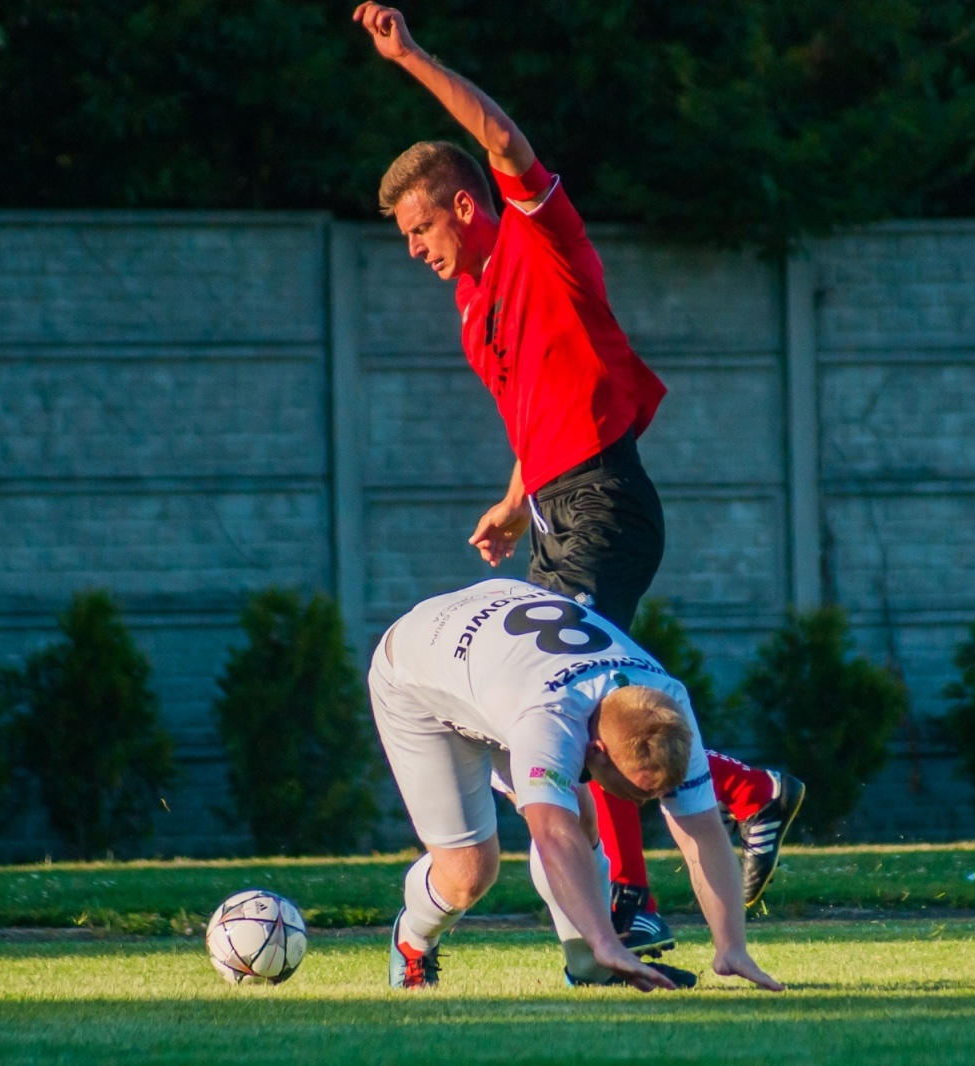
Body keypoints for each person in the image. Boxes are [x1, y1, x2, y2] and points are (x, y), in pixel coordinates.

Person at [353, 3, 805, 957]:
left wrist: (411, 56)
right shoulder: (475, 301)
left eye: (418, 225)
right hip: (565, 506)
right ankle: (676, 857)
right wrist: (517, 502)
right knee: (563, 709)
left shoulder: (534, 238)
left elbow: (503, 137)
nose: (413, 248)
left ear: (465, 206)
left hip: (607, 501)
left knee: (554, 705)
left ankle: (735, 801)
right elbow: (541, 408)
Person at [368, 578, 783, 993]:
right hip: (418, 675)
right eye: (639, 791)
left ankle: (589, 971)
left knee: (586, 822)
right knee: (469, 873)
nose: (643, 804)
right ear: (597, 750)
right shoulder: (550, 721)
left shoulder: (667, 703)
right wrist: (607, 941)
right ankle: (414, 939)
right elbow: (551, 835)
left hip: (499, 650)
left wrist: (732, 946)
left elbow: (703, 832)